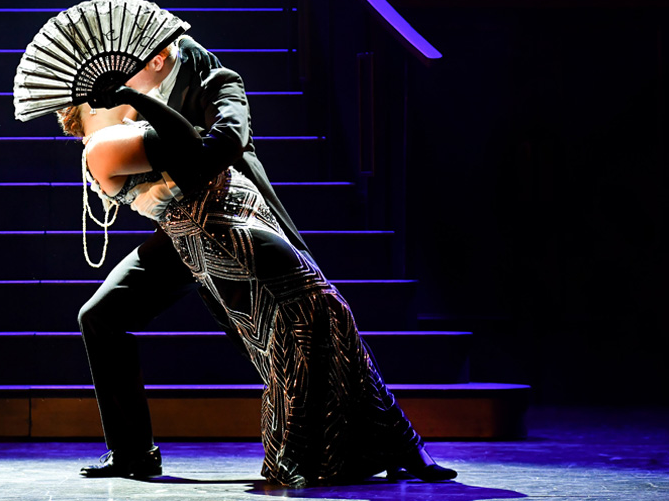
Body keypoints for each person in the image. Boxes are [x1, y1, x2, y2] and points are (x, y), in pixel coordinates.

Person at [64, 38, 457, 487]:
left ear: (157, 58)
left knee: (314, 320)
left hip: (237, 218)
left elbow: (222, 141)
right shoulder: (111, 134)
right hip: (187, 235)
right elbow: (175, 152)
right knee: (101, 317)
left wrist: (140, 108)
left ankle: (395, 442)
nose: (118, 83)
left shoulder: (214, 82)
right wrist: (140, 112)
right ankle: (132, 452)